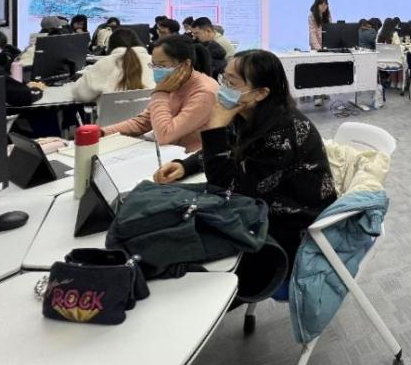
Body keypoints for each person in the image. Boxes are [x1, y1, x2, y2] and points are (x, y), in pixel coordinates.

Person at [153, 49, 336, 277]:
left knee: (191, 240)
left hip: (291, 224)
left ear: (260, 93)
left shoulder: (284, 132)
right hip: (261, 203)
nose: (223, 88)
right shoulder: (245, 113)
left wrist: (215, 129)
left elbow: (228, 190)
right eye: (223, 79)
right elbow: (228, 150)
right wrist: (186, 165)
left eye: (232, 83)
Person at [103, 35, 217, 152]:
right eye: (154, 65)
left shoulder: (204, 93)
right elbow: (144, 122)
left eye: (162, 65)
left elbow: (165, 135)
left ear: (186, 64)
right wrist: (103, 132)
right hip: (168, 151)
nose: (156, 70)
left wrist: (160, 93)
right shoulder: (173, 84)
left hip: (190, 157)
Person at [71, 27, 154, 102]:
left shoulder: (104, 63)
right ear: (138, 42)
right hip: (151, 114)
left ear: (110, 45)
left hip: (110, 114)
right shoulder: (153, 61)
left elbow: (80, 95)